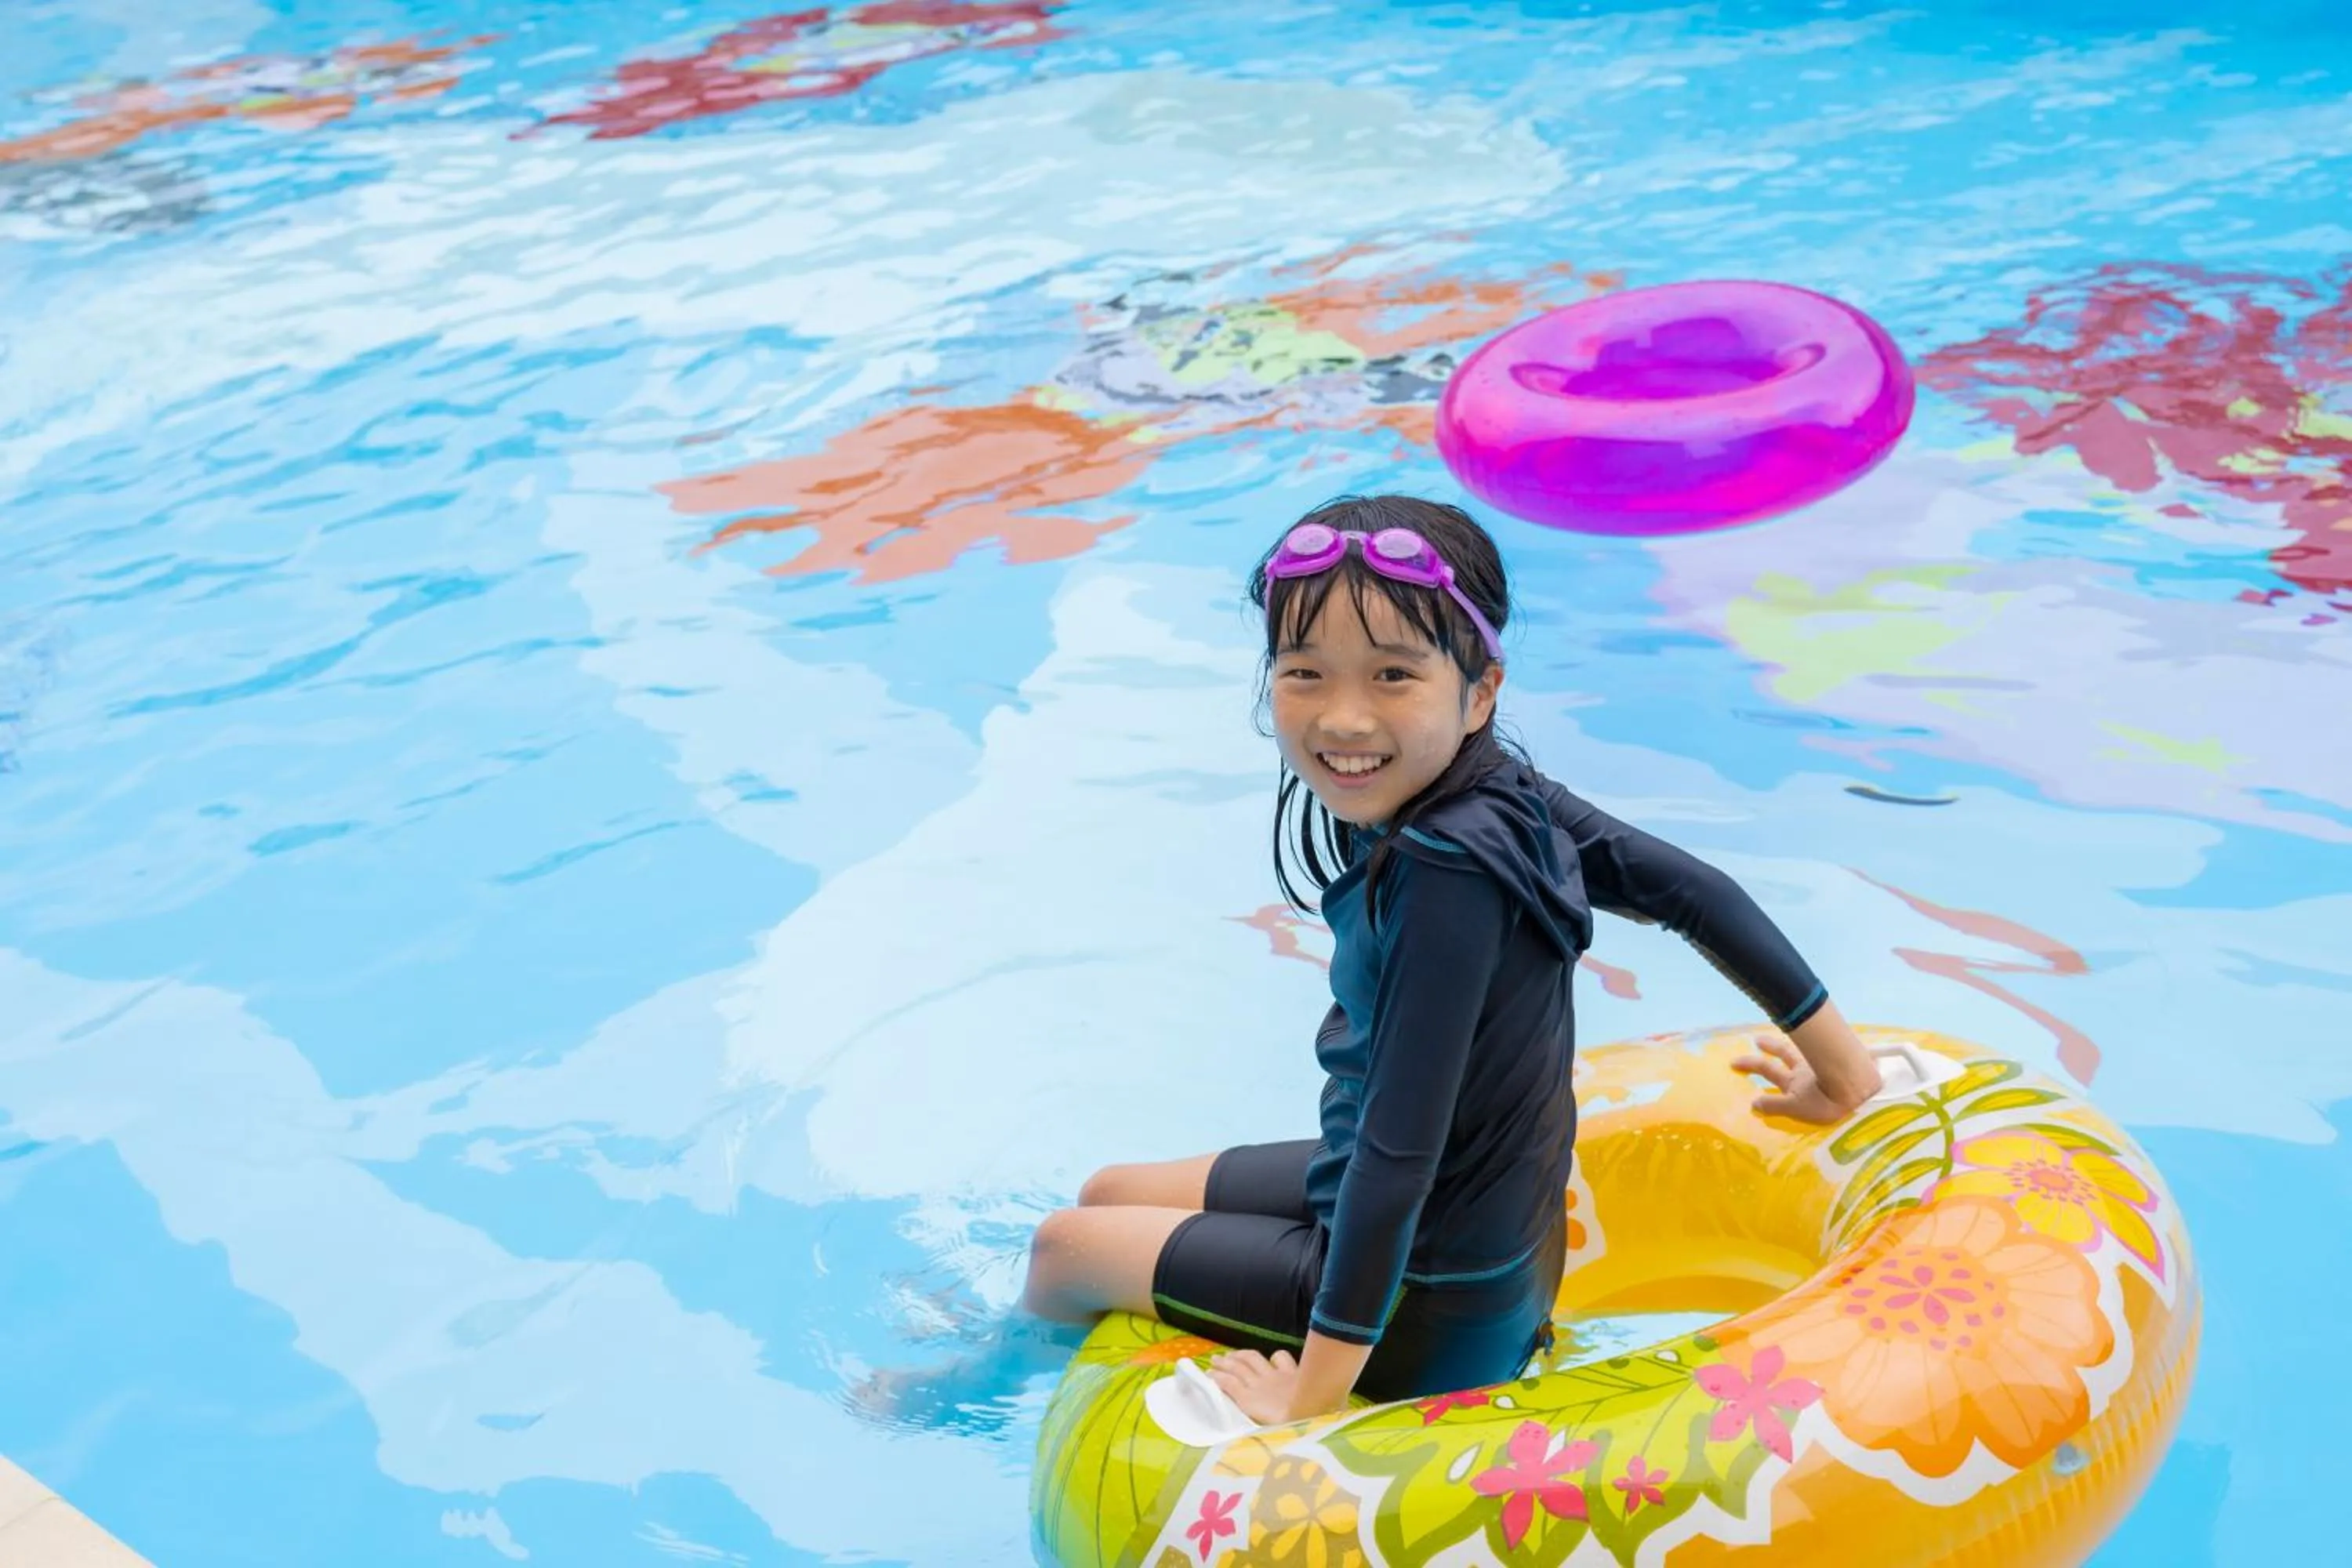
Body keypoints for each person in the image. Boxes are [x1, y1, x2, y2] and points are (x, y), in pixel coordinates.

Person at [1019, 493, 1883, 1425]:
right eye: (1305, 671)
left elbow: (1400, 1157)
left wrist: (1309, 1396)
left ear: (1480, 690)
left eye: (1392, 674)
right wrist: (1842, 1071)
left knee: (1064, 1248)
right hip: (1465, 1244)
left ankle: (985, 1382)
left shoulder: (1447, 873)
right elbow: (1694, 892)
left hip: (1427, 1307)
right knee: (1111, 1190)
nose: (1344, 717)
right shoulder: (1501, 792)